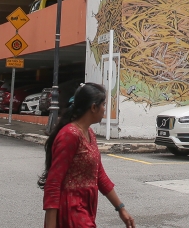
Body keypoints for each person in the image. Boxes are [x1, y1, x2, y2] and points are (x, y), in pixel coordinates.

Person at [39, 83, 136, 228]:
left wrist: (121, 208)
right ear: (93, 107)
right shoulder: (70, 135)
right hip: (71, 210)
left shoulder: (89, 133)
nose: (105, 109)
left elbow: (99, 175)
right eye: (103, 105)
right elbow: (53, 183)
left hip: (86, 208)